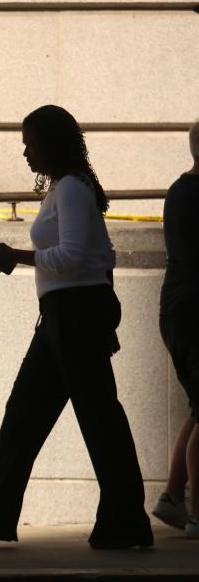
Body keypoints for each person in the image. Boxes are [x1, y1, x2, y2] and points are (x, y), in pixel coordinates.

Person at [0, 104, 153, 549]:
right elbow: (101, 256)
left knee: (97, 419)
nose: (25, 152)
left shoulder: (73, 190)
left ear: (52, 143)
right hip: (66, 316)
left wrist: (15, 256)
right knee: (27, 416)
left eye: (31, 143)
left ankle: (125, 521)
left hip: (74, 317)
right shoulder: (66, 188)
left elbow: (75, 257)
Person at [152, 121, 199, 537]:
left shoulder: (180, 190)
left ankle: (172, 496)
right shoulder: (192, 194)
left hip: (181, 308)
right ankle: (197, 513)